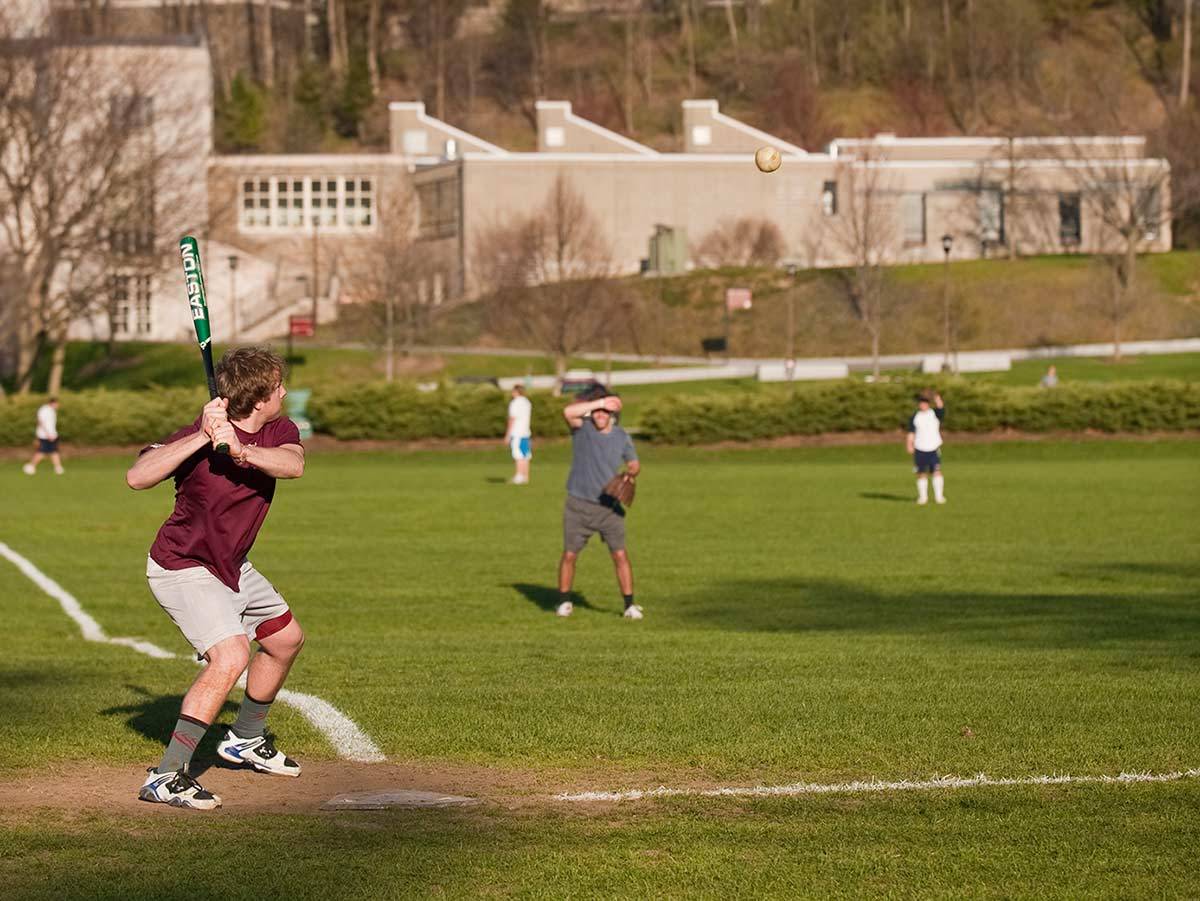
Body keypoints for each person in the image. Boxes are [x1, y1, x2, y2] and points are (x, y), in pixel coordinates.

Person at [125, 347, 307, 810]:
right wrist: (203, 438)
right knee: (230, 656)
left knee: (285, 640)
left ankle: (244, 739)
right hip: (183, 566)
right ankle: (167, 776)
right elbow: (137, 476)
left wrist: (241, 450)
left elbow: (293, 465)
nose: (284, 391)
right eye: (278, 387)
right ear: (260, 397)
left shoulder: (277, 430)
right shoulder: (196, 434)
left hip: (232, 565)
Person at [557, 385, 643, 620]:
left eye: (605, 412)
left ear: (612, 415)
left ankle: (629, 605)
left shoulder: (621, 437)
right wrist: (600, 402)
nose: (600, 415)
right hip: (579, 505)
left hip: (609, 507)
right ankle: (564, 602)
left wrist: (631, 472)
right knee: (570, 555)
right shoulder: (582, 430)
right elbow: (568, 412)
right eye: (597, 411)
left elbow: (634, 463)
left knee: (620, 555)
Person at [906, 390, 946, 505]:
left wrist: (936, 396)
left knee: (936, 471)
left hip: (933, 447)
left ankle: (939, 497)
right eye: (921, 403)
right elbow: (911, 432)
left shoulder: (934, 414)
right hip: (919, 448)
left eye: (925, 402)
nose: (923, 405)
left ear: (928, 403)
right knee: (921, 473)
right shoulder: (915, 416)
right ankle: (923, 497)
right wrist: (909, 444)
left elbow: (941, 408)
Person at [22, 397, 64, 475]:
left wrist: (53, 434)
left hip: (52, 435)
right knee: (42, 452)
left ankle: (58, 467)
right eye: (57, 404)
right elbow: (41, 422)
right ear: (53, 403)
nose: (58, 406)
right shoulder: (44, 410)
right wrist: (48, 434)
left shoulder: (52, 411)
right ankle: (31, 466)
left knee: (54, 451)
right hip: (45, 435)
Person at [504, 385, 533, 485]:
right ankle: (525, 476)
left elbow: (512, 419)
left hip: (517, 432)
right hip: (526, 432)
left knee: (518, 455)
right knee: (526, 455)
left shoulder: (515, 403)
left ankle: (519, 476)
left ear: (516, 392)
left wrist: (507, 434)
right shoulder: (527, 402)